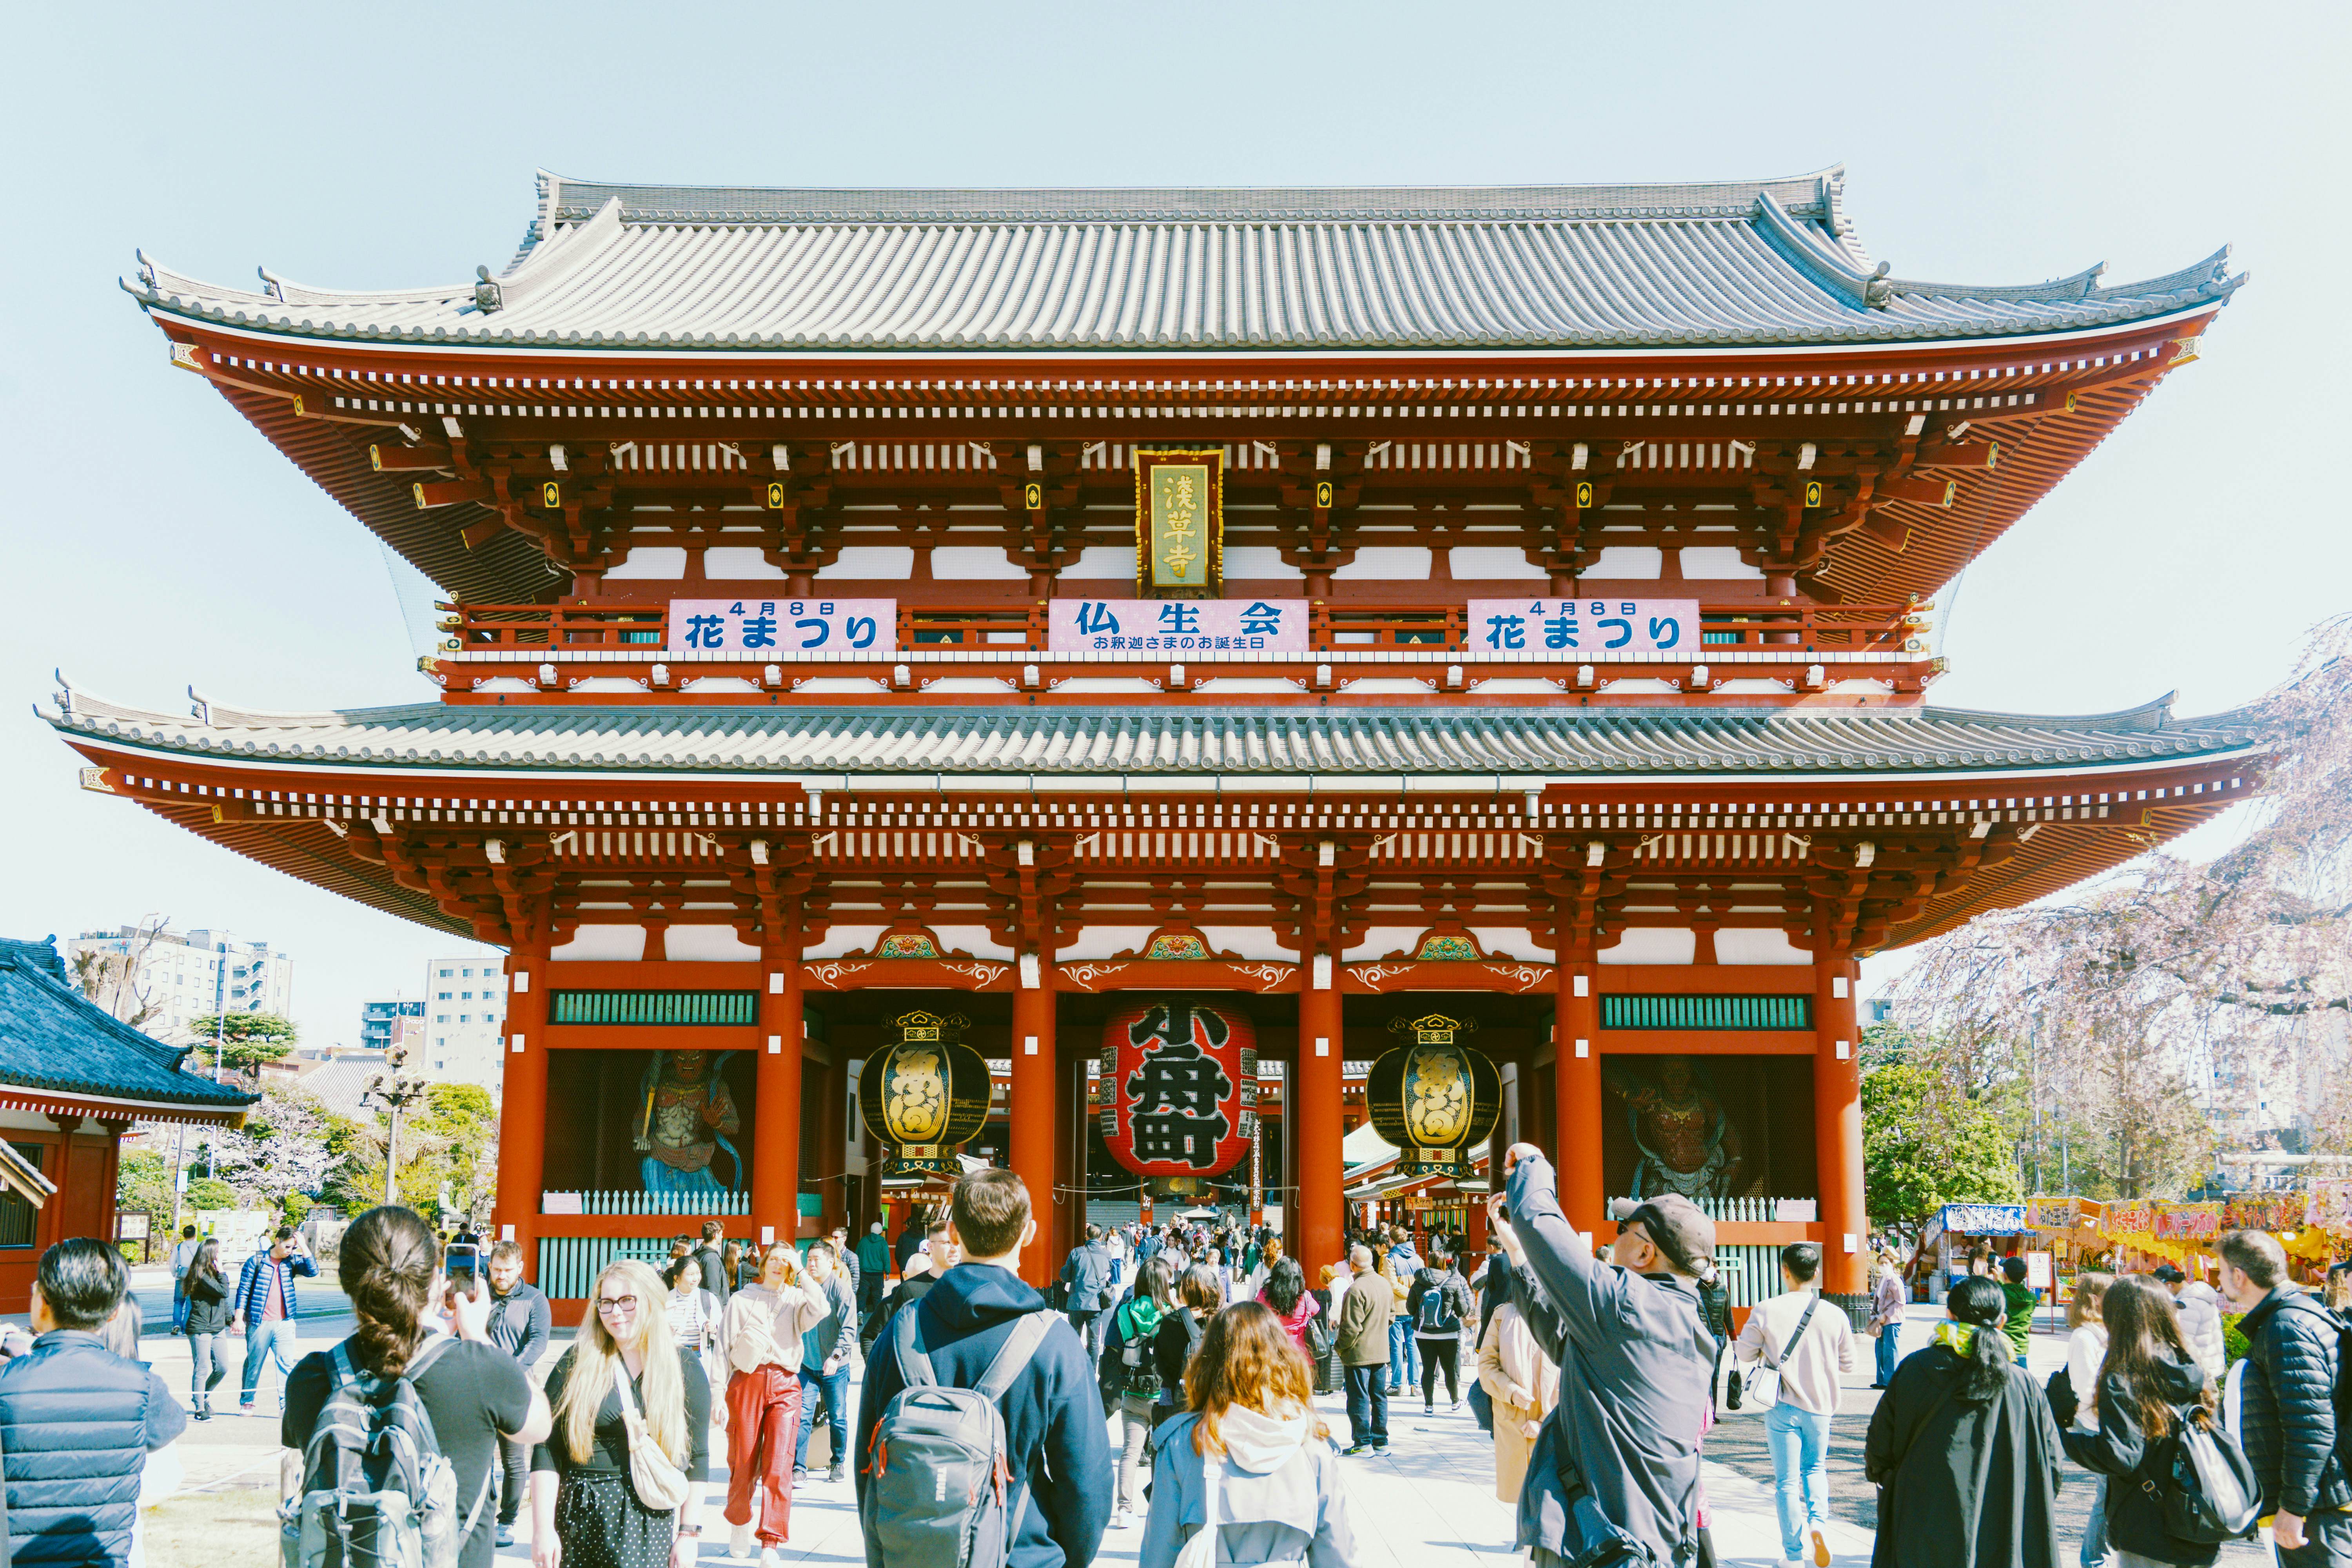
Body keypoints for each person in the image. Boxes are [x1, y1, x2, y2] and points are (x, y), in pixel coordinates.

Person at [851, 1167, 1111, 1568]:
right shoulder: (1055, 1343)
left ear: (954, 1234)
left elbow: (867, 1465)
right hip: (1022, 1552)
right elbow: (1087, 1484)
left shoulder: (900, 1331)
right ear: (1029, 1232)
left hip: (916, 1553)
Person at [283, 1206, 553, 1568]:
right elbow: (540, 1424)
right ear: (435, 1282)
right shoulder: (478, 1369)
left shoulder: (311, 1377)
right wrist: (477, 1337)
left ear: (348, 1285)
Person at [1492, 1151, 1718, 1567]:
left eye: (1623, 1229)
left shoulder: (1627, 1303)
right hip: (1648, 1540)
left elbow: (1537, 1219)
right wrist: (1520, 1257)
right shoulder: (1692, 1329)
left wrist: (1532, 1163)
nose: (1615, 1237)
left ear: (1644, 1253)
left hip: (1599, 1541)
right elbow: (1568, 1345)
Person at [0, 1238, 188, 1568]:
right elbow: (168, 1428)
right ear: (115, 1312)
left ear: (42, 1303)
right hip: (102, 1559)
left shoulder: (7, 1382)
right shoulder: (144, 1385)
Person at [1138, 1301, 1360, 1568]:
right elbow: (1337, 1557)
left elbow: (1158, 1555)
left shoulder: (1183, 1443)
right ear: (1284, 1360)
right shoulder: (1312, 1448)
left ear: (1209, 1362)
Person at [1862, 1274, 2063, 1568]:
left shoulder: (1915, 1370)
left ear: (1949, 1315)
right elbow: (2052, 1466)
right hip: (2003, 1534)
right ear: (2003, 1321)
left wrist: (1895, 1486)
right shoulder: (2024, 1385)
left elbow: (1879, 1450)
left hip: (1923, 1528)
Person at [531, 1258, 711, 1568]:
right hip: (581, 1512)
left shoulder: (682, 1366)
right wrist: (542, 1530)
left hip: (648, 1515)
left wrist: (688, 1533)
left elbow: (699, 1456)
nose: (616, 1312)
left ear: (652, 1302)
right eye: (607, 1302)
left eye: (628, 1301)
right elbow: (548, 1448)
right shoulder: (577, 1362)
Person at [2053, 1275, 2222, 1568]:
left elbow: (2119, 1456)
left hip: (2148, 1526)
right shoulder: (2189, 1365)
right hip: (2198, 1515)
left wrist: (2059, 1438)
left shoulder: (2124, 1376)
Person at [2217, 1226, 2350, 1565]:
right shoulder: (2298, 1314)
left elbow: (2309, 1427)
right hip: (2325, 1498)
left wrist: (2294, 1508)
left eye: (2220, 1271)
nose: (2219, 1281)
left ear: (2239, 1275)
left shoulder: (2285, 1326)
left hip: (2320, 1508)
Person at [1733, 1242, 1857, 1568]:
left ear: (1784, 1270)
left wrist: (1769, 1352)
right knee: (1815, 1469)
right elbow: (1849, 1364)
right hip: (1821, 1407)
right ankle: (1819, 1524)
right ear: (1815, 1273)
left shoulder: (1765, 1309)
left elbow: (1744, 1354)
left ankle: (1793, 1556)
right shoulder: (1835, 1313)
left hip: (1782, 1406)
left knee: (1786, 1482)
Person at [718, 1240, 826, 1559]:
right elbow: (722, 1351)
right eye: (775, 1259)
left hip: (785, 1383)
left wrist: (803, 1271)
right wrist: (715, 1396)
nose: (780, 1265)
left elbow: (821, 1308)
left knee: (780, 1463)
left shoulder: (796, 1300)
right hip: (746, 1381)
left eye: (787, 1261)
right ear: (764, 1263)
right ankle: (739, 1523)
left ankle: (771, 1541)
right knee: (743, 1461)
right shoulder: (741, 1299)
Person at [1474, 1247, 1557, 1506]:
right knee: (1520, 1494)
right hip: (1512, 1420)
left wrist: (1546, 1419)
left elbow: (1573, 1372)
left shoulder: (1561, 1316)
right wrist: (1509, 1390)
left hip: (1554, 1423)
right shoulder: (1503, 1315)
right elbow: (1486, 1366)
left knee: (1552, 1496)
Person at [484, 1239, 553, 1548]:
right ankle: (480, 1515)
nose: (501, 1275)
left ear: (520, 1268)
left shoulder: (534, 1299)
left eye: (507, 1270)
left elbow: (538, 1341)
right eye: (496, 1269)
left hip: (516, 1386)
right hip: (478, 1386)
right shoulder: (476, 1294)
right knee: (480, 1458)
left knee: (513, 1461)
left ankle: (507, 1520)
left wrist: (512, 1369)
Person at [1102, 1255, 1175, 1531]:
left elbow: (1113, 1350)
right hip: (1162, 1394)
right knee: (1159, 1452)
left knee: (1130, 1453)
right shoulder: (1170, 1313)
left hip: (1132, 1391)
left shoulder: (1125, 1312)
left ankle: (1124, 1509)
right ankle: (1157, 1507)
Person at [233, 1223, 319, 1412]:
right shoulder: (256, 1261)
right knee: (254, 1364)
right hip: (259, 1322)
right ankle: (247, 1401)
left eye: (293, 1248)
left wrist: (303, 1246)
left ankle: (286, 1405)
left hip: (285, 1322)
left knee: (286, 1365)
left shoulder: (292, 1262)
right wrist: (239, 1318)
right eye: (287, 1247)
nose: (290, 1251)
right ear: (277, 1241)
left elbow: (313, 1271)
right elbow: (243, 1290)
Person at [792, 1238, 858, 1485]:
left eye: (816, 1259)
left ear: (831, 1262)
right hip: (807, 1365)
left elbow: (850, 1329)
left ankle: (838, 1462)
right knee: (802, 1415)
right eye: (809, 1259)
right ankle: (798, 1468)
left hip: (835, 1366)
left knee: (838, 1416)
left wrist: (837, 1356)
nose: (811, 1264)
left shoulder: (841, 1290)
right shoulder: (802, 1287)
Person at [2060, 1272, 2113, 1568]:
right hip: (2095, 1425)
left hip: (2107, 1423)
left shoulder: (2105, 1331)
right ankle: (2093, 1560)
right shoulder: (2084, 1337)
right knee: (2106, 1496)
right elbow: (2086, 1390)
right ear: (2095, 1298)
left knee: (2111, 1494)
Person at [1334, 1243, 1394, 1456]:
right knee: (1379, 1397)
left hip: (1359, 1354)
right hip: (1381, 1351)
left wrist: (1339, 1347)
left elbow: (1351, 1328)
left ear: (1352, 1265)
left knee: (1359, 1398)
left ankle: (1362, 1442)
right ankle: (1381, 1441)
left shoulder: (1356, 1290)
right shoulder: (1385, 1285)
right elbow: (1392, 1317)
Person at [1405, 1242, 1475, 1416]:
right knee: (1449, 1369)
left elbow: (1410, 1308)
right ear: (1445, 1263)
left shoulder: (1419, 1281)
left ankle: (1429, 1406)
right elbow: (1462, 1310)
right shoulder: (1453, 1282)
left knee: (1428, 1369)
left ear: (1428, 1262)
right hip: (1448, 1333)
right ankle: (1455, 1402)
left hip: (1423, 1333)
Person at [1156, 1265, 1224, 1423]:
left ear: (1187, 1289)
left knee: (1166, 1433)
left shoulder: (1170, 1322)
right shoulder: (1221, 1320)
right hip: (1211, 1402)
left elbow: (1162, 1369)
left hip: (1172, 1396)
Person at [181, 1237, 232, 1421]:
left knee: (223, 1367)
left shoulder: (214, 1273)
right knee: (202, 1367)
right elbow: (223, 1291)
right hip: (201, 1327)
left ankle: (204, 1396)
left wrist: (230, 1319)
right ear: (211, 1254)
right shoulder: (200, 1275)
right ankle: (199, 1409)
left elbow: (222, 1300)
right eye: (220, 1251)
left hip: (218, 1328)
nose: (222, 1254)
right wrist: (223, 1273)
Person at [2153, 1264, 2227, 1385]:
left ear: (2169, 1285)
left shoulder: (2188, 1304)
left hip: (2201, 1369)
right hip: (2214, 1365)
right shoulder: (2202, 1296)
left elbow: (2183, 1340)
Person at [1060, 1223, 1117, 1364]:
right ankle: (1091, 1373)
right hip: (1096, 1303)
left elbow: (1065, 1276)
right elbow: (1108, 1272)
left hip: (1077, 1302)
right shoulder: (1107, 1255)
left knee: (1074, 1338)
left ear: (1086, 1236)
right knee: (1093, 1341)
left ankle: (1073, 1369)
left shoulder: (1076, 1253)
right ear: (1102, 1237)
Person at [1259, 1255, 1322, 1361]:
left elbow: (1258, 1313)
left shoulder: (1264, 1294)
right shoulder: (1305, 1297)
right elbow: (1316, 1310)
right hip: (1300, 1353)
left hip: (1273, 1351)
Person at [1868, 1252, 1908, 1390]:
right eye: (1881, 1263)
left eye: (1886, 1263)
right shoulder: (1883, 1280)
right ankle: (1882, 1381)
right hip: (1880, 1320)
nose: (1884, 1266)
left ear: (1892, 1264)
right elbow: (1877, 1300)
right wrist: (1873, 1314)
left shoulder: (1895, 1280)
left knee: (1890, 1351)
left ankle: (1890, 1382)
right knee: (1880, 1351)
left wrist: (1887, 1315)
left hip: (1892, 1321)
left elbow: (1901, 1302)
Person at [1999, 1255, 2039, 1366]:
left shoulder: (1999, 1294)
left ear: (2005, 1275)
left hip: (2002, 1350)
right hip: (2021, 1352)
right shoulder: (2031, 1299)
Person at [854, 1220, 891, 1321]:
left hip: (864, 1273)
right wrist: (887, 1272)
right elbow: (886, 1258)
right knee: (877, 1295)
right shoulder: (883, 1242)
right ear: (880, 1231)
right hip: (878, 1274)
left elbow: (856, 1255)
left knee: (862, 1294)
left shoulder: (863, 1241)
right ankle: (877, 1317)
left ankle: (860, 1314)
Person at [692, 1220, 732, 1311]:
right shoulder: (711, 1258)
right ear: (716, 1235)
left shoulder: (700, 1253)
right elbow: (713, 1290)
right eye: (721, 1234)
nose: (722, 1237)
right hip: (713, 1309)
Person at [169, 1223, 201, 1332]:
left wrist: (176, 1275)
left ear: (184, 1235)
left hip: (181, 1278)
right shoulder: (199, 1246)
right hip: (193, 1279)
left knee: (178, 1302)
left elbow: (172, 1264)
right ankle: (185, 1328)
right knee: (190, 1305)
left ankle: (176, 1325)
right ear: (195, 1235)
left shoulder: (178, 1247)